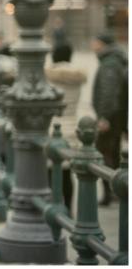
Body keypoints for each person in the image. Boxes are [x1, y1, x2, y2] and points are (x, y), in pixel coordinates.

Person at [45, 43, 86, 212]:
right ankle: (69, 208)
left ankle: (54, 207)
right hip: (72, 126)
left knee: (50, 172)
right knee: (67, 174)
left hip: (53, 127)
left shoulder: (49, 76)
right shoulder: (77, 78)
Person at [90, 30, 128, 206]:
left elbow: (108, 91)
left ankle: (110, 192)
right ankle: (114, 191)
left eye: (95, 41)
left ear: (102, 43)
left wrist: (104, 117)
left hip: (111, 117)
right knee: (112, 153)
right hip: (117, 116)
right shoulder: (112, 60)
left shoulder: (110, 64)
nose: (92, 45)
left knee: (105, 153)